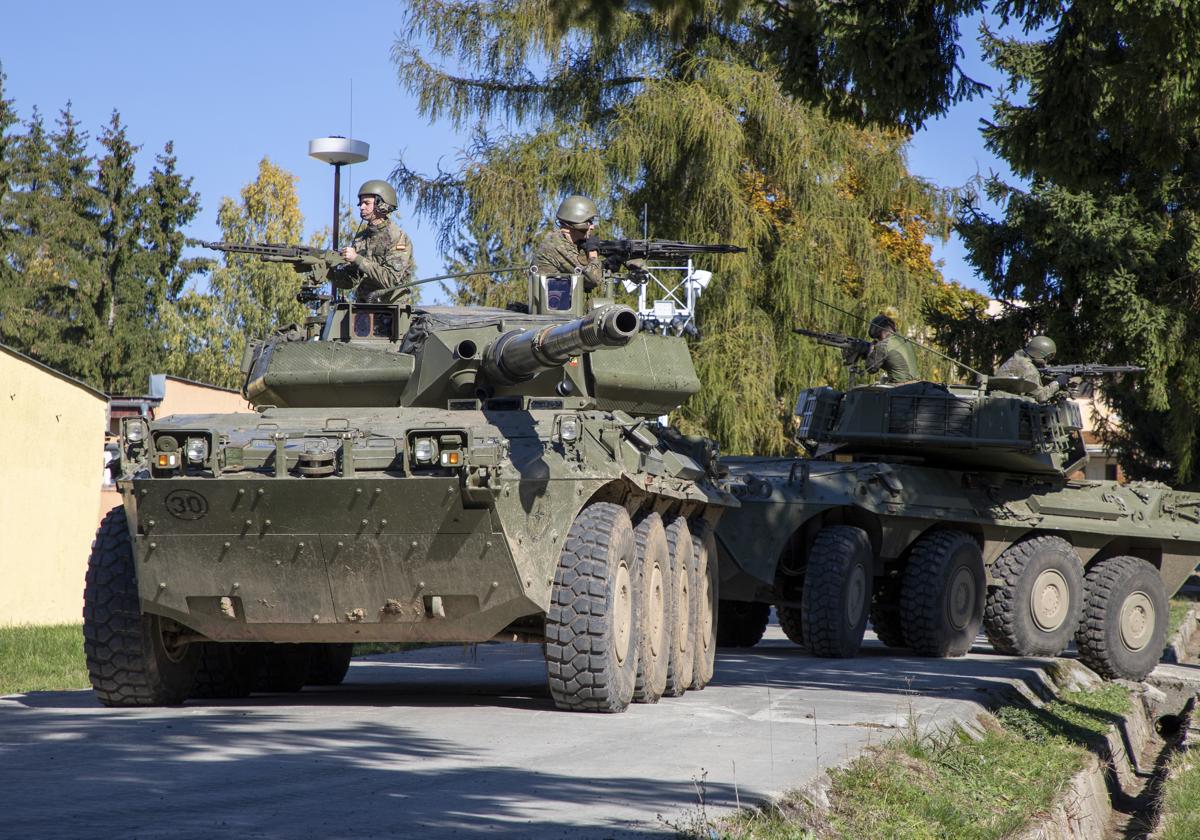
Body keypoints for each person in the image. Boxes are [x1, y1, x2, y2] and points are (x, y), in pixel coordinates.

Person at [331, 180, 415, 301]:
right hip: (363, 311)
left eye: (366, 203)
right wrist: (327, 270)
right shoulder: (361, 238)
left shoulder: (397, 238)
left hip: (391, 312)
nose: (361, 207)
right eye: (360, 203)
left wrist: (357, 258)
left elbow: (390, 280)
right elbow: (350, 281)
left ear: (381, 204)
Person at [533, 195, 605, 292]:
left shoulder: (559, 240)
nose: (592, 227)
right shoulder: (557, 244)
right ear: (577, 222)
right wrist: (593, 252)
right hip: (553, 305)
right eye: (589, 222)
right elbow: (593, 278)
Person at [995, 335, 1065, 402]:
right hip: (1013, 406)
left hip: (1001, 401)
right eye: (1048, 357)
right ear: (1041, 355)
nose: (1048, 360)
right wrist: (1057, 383)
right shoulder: (1030, 369)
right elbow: (1041, 397)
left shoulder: (1014, 359)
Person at [860, 308, 920, 384]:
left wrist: (871, 350)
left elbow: (871, 369)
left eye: (877, 337)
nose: (877, 340)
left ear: (878, 332)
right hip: (916, 384)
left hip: (900, 387)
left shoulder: (883, 345)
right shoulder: (905, 340)